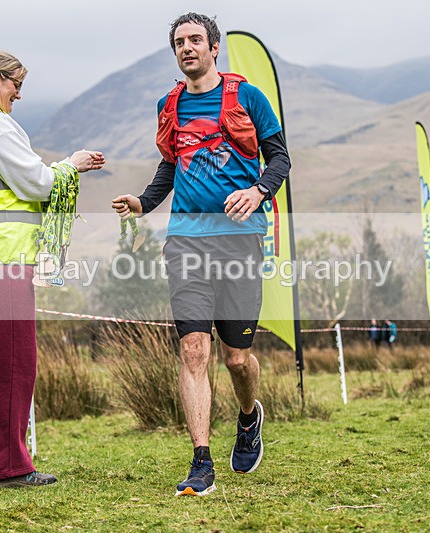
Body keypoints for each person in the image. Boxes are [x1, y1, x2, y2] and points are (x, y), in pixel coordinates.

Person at [111, 13, 291, 497]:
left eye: (195, 40)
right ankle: (200, 462)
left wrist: (258, 192)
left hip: (239, 242)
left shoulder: (247, 97)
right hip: (187, 241)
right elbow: (170, 167)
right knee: (193, 350)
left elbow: (280, 159)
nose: (186, 48)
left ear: (214, 47)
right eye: (178, 42)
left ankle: (250, 415)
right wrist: (143, 203)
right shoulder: (168, 104)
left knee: (237, 359)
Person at [0, 49, 105, 488]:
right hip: (2, 258)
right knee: (15, 362)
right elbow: (36, 182)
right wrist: (71, 165)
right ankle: (6, 468)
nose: (18, 95)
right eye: (16, 85)